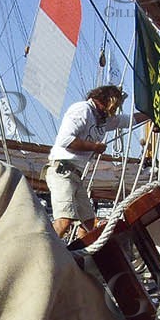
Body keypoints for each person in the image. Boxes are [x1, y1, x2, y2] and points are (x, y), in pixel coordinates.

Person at [46, 84, 133, 244]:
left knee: (89, 224)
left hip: (75, 176)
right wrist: (95, 147)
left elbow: (129, 120)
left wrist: (152, 115)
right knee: (64, 221)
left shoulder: (102, 120)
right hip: (62, 172)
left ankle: (83, 260)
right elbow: (65, 140)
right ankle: (42, 255)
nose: (114, 111)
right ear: (107, 101)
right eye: (114, 106)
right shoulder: (83, 110)